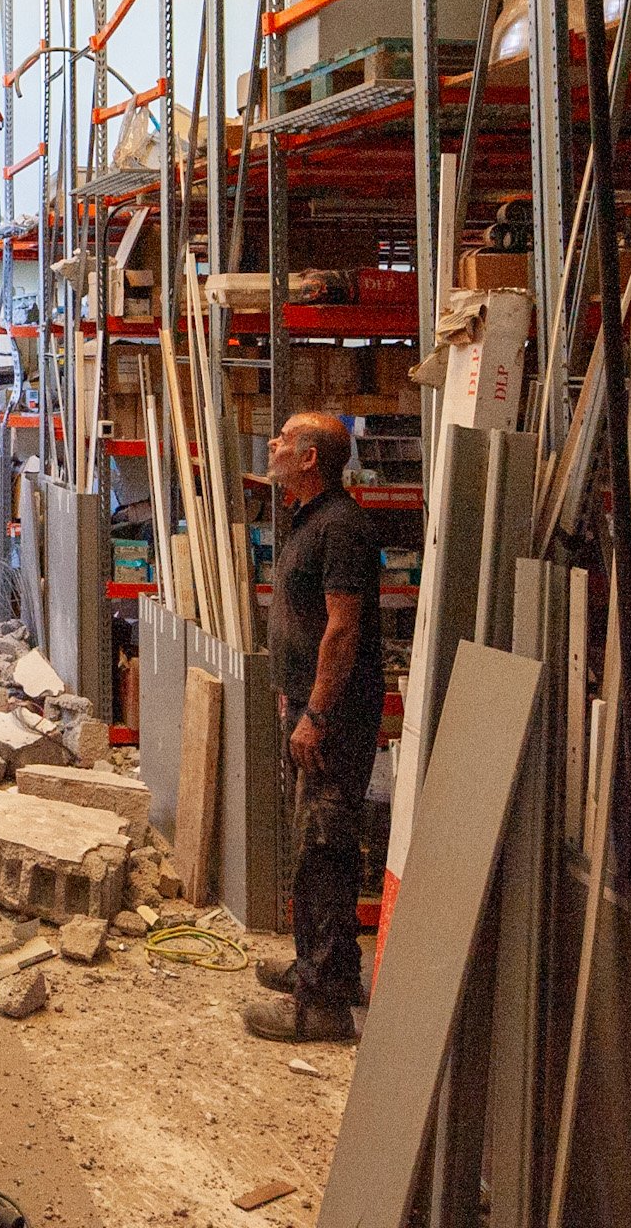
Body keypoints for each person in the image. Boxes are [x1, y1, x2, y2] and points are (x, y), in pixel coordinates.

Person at [243, 409, 381, 1043]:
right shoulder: (309, 519)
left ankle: (318, 1007)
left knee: (321, 852)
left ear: (308, 460)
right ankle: (327, 968)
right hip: (307, 708)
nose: (272, 444)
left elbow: (342, 630)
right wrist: (292, 697)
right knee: (316, 849)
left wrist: (318, 713)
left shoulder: (342, 528)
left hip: (335, 719)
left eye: (284, 439)